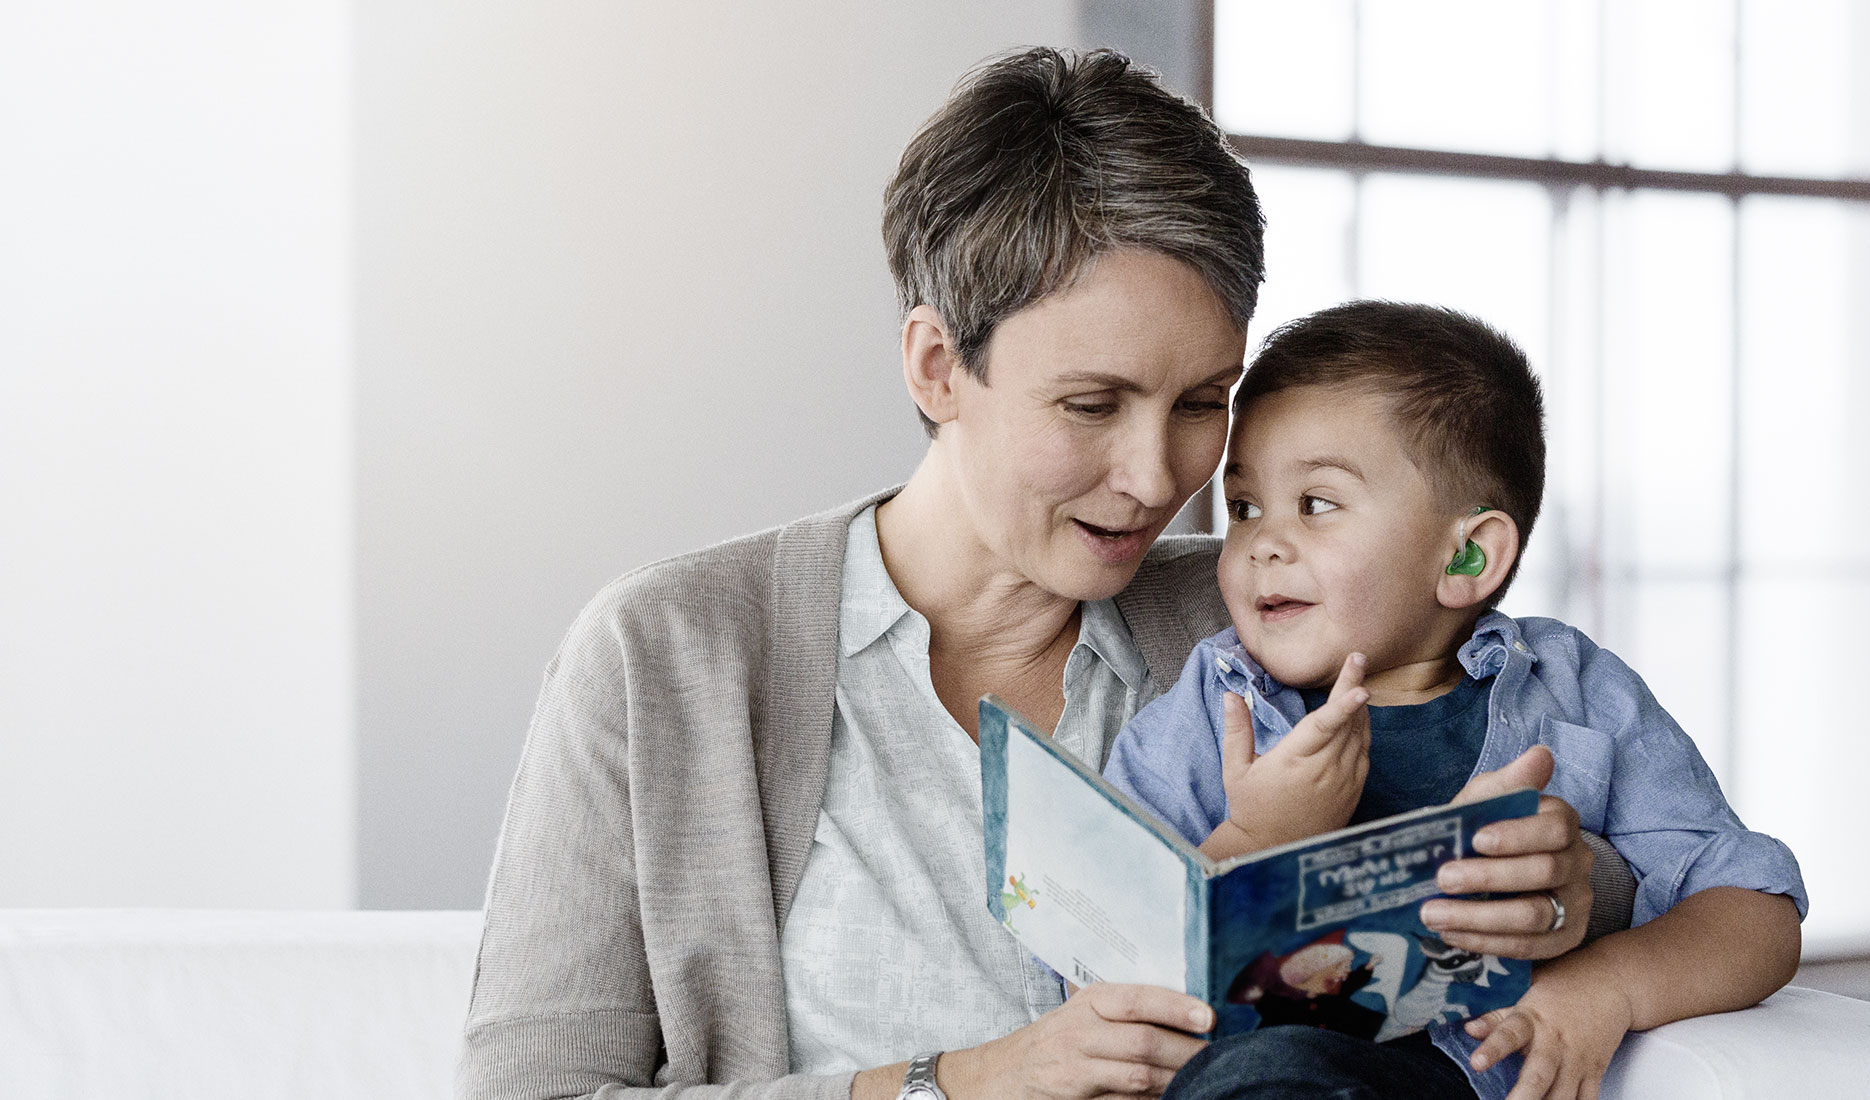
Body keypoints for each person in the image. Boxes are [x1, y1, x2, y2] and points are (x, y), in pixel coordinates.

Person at [458, 50, 1609, 1100]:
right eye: (1091, 404)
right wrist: (953, 1083)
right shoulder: (665, 655)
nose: (1157, 474)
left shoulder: (1277, 615)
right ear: (937, 363)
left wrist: (1570, 889)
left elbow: (1609, 810)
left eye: (1203, 402)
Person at [1103, 301, 1808, 1100]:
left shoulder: (1573, 690)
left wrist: (1611, 984)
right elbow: (1107, 961)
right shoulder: (1217, 702)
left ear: (1469, 555)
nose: (1261, 541)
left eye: (1318, 503)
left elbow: (1755, 908)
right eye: (1243, 507)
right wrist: (1256, 836)